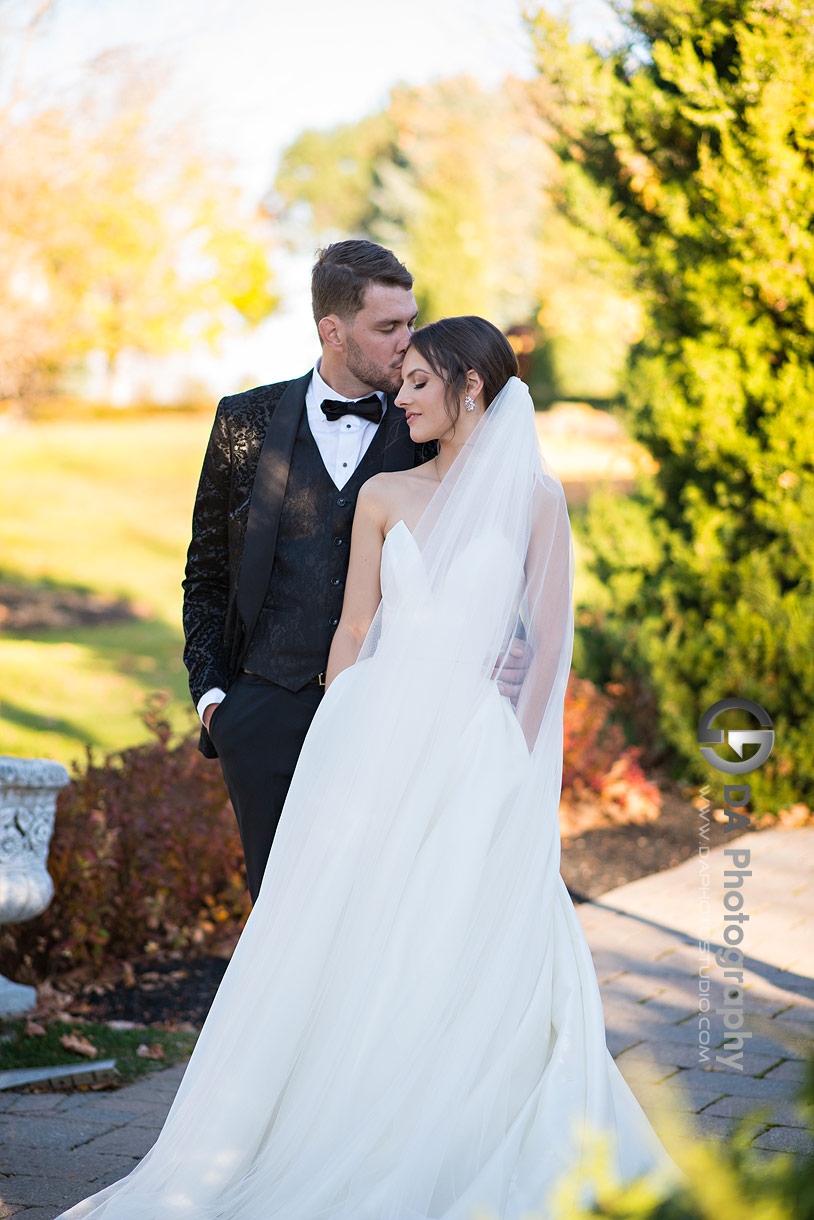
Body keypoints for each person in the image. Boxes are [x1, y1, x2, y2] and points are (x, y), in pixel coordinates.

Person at [59, 317, 677, 1220]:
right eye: (404, 380)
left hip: (472, 748)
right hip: (375, 734)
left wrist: (520, 759)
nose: (402, 397)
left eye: (421, 381)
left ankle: (458, 1116)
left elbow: (546, 649)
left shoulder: (538, 501)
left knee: (464, 933)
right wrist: (335, 747)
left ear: (470, 388)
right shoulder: (385, 495)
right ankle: (332, 1112)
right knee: (357, 930)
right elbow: (354, 629)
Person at [182, 240, 525, 901]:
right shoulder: (244, 422)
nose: (408, 343)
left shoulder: (429, 422)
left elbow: (492, 537)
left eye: (411, 322)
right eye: (388, 328)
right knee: (282, 920)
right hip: (264, 716)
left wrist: (513, 643)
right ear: (332, 332)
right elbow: (205, 575)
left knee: (376, 917)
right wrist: (215, 701)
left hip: (394, 717)